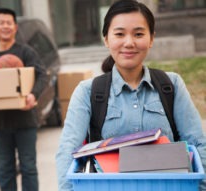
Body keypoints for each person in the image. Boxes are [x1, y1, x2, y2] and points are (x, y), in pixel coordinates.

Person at [56, 0, 206, 190]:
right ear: (106, 39)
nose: (129, 42)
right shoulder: (88, 91)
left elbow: (198, 143)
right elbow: (67, 151)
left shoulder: (171, 85)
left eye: (138, 34)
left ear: (151, 39)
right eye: (119, 34)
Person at [0, 8, 48, 191]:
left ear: (15, 27)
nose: (5, 26)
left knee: (28, 167)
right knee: (5, 169)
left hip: (25, 120)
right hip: (0, 123)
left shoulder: (26, 52)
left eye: (9, 23)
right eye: (1, 23)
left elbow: (42, 76)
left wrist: (33, 94)